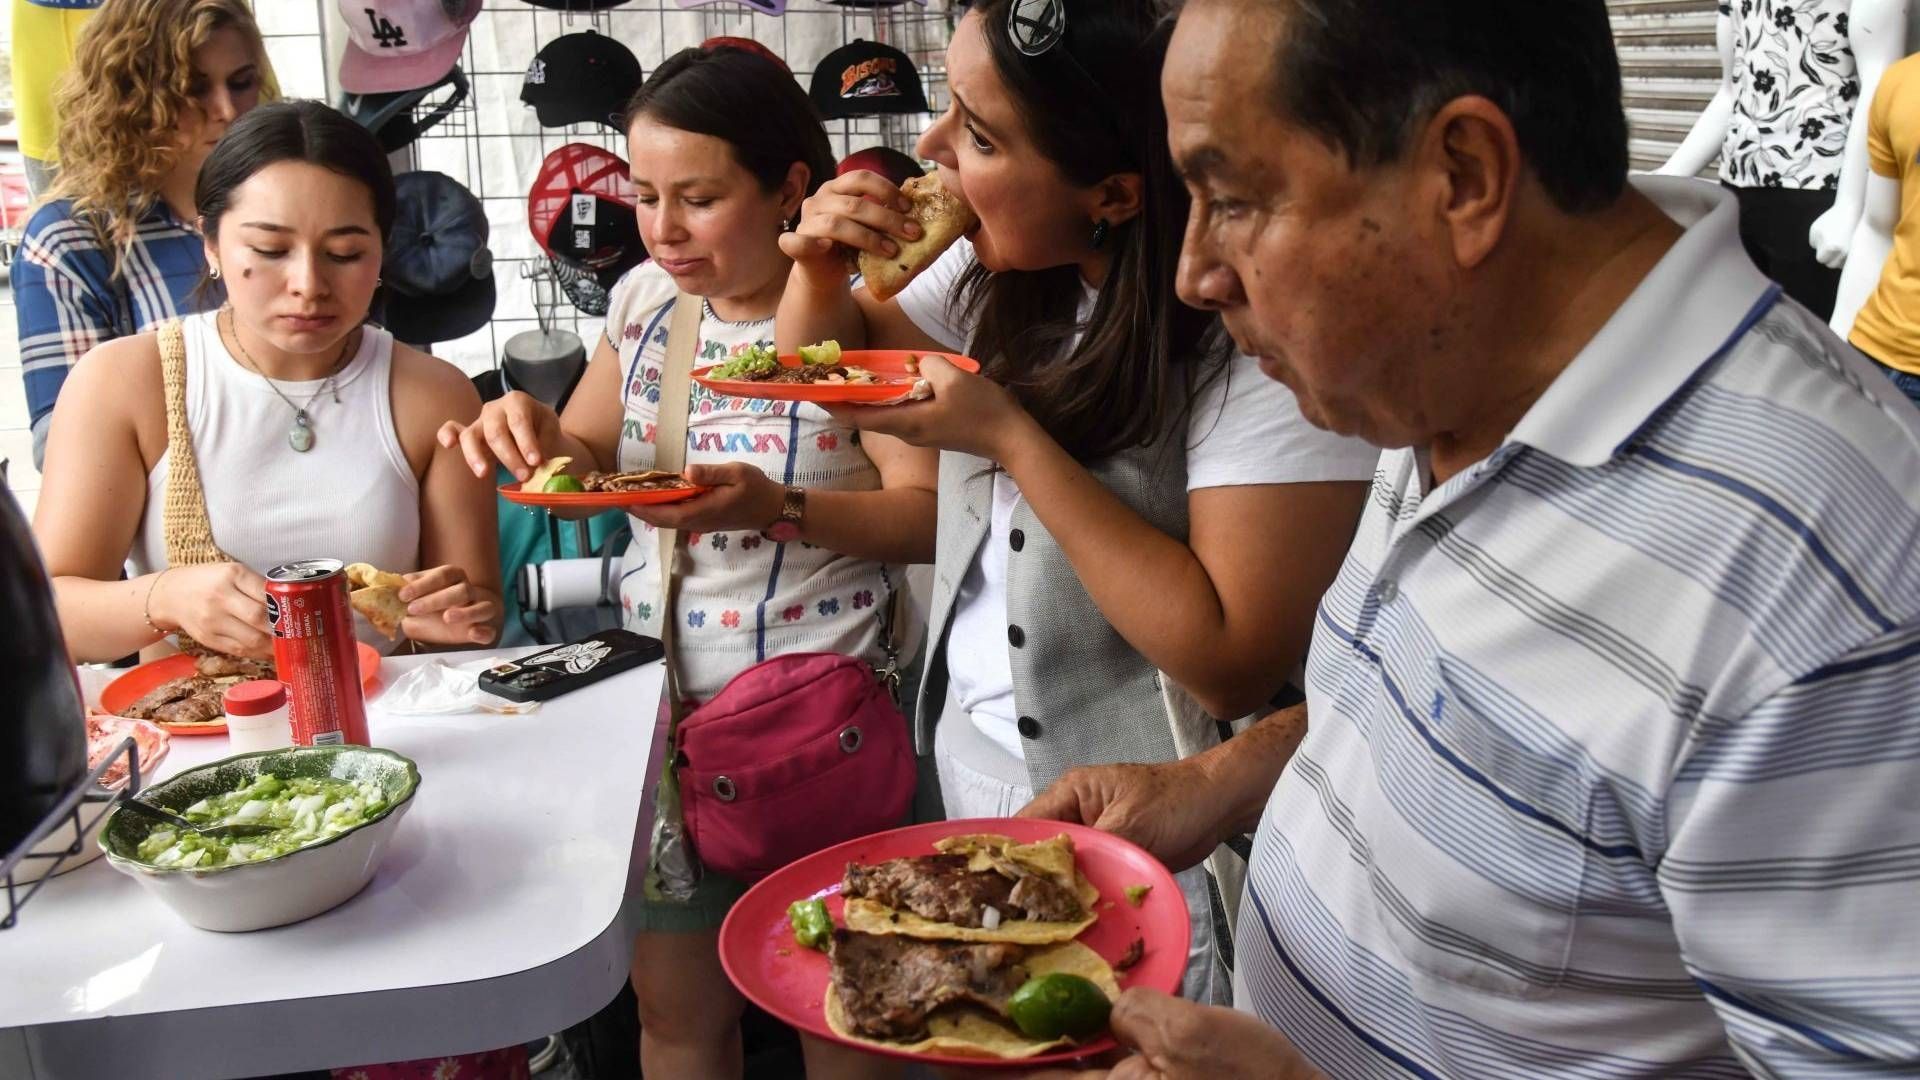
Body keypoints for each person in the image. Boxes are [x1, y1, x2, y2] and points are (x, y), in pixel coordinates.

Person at [1018, 1, 1920, 1077]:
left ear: (1463, 176)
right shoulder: (1439, 374)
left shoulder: (1831, 587)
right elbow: (1477, 726)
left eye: (1234, 199)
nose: (1194, 273)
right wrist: (1225, 776)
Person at [777, 0, 1377, 1004]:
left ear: (1111, 192)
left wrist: (1012, 437)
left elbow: (1229, 659)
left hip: (1143, 833)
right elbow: (827, 367)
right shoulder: (1001, 266)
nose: (925, 151)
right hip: (971, 773)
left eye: (976, 134)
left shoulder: (1246, 348)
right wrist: (816, 268)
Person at [439, 45, 932, 1080]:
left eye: (698, 198)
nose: (661, 228)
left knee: (847, 1022)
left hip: (818, 724)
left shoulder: (862, 324)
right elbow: (583, 457)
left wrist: (781, 508)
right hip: (667, 731)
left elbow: (928, 517)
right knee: (676, 1021)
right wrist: (528, 424)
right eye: (646, 195)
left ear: (791, 188)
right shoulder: (644, 309)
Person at [34, 100, 501, 664]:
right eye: (270, 250)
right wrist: (164, 597)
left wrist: (457, 618)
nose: (308, 283)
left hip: (388, 729)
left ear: (382, 251)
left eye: (345, 253)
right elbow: (47, 616)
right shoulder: (128, 383)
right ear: (210, 244)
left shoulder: (434, 396)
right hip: (203, 739)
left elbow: (477, 620)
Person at [14, 0, 278, 473]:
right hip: (169, 531)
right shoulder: (70, 238)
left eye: (242, 83)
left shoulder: (294, 200)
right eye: (193, 89)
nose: (226, 110)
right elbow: (64, 448)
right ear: (133, 93)